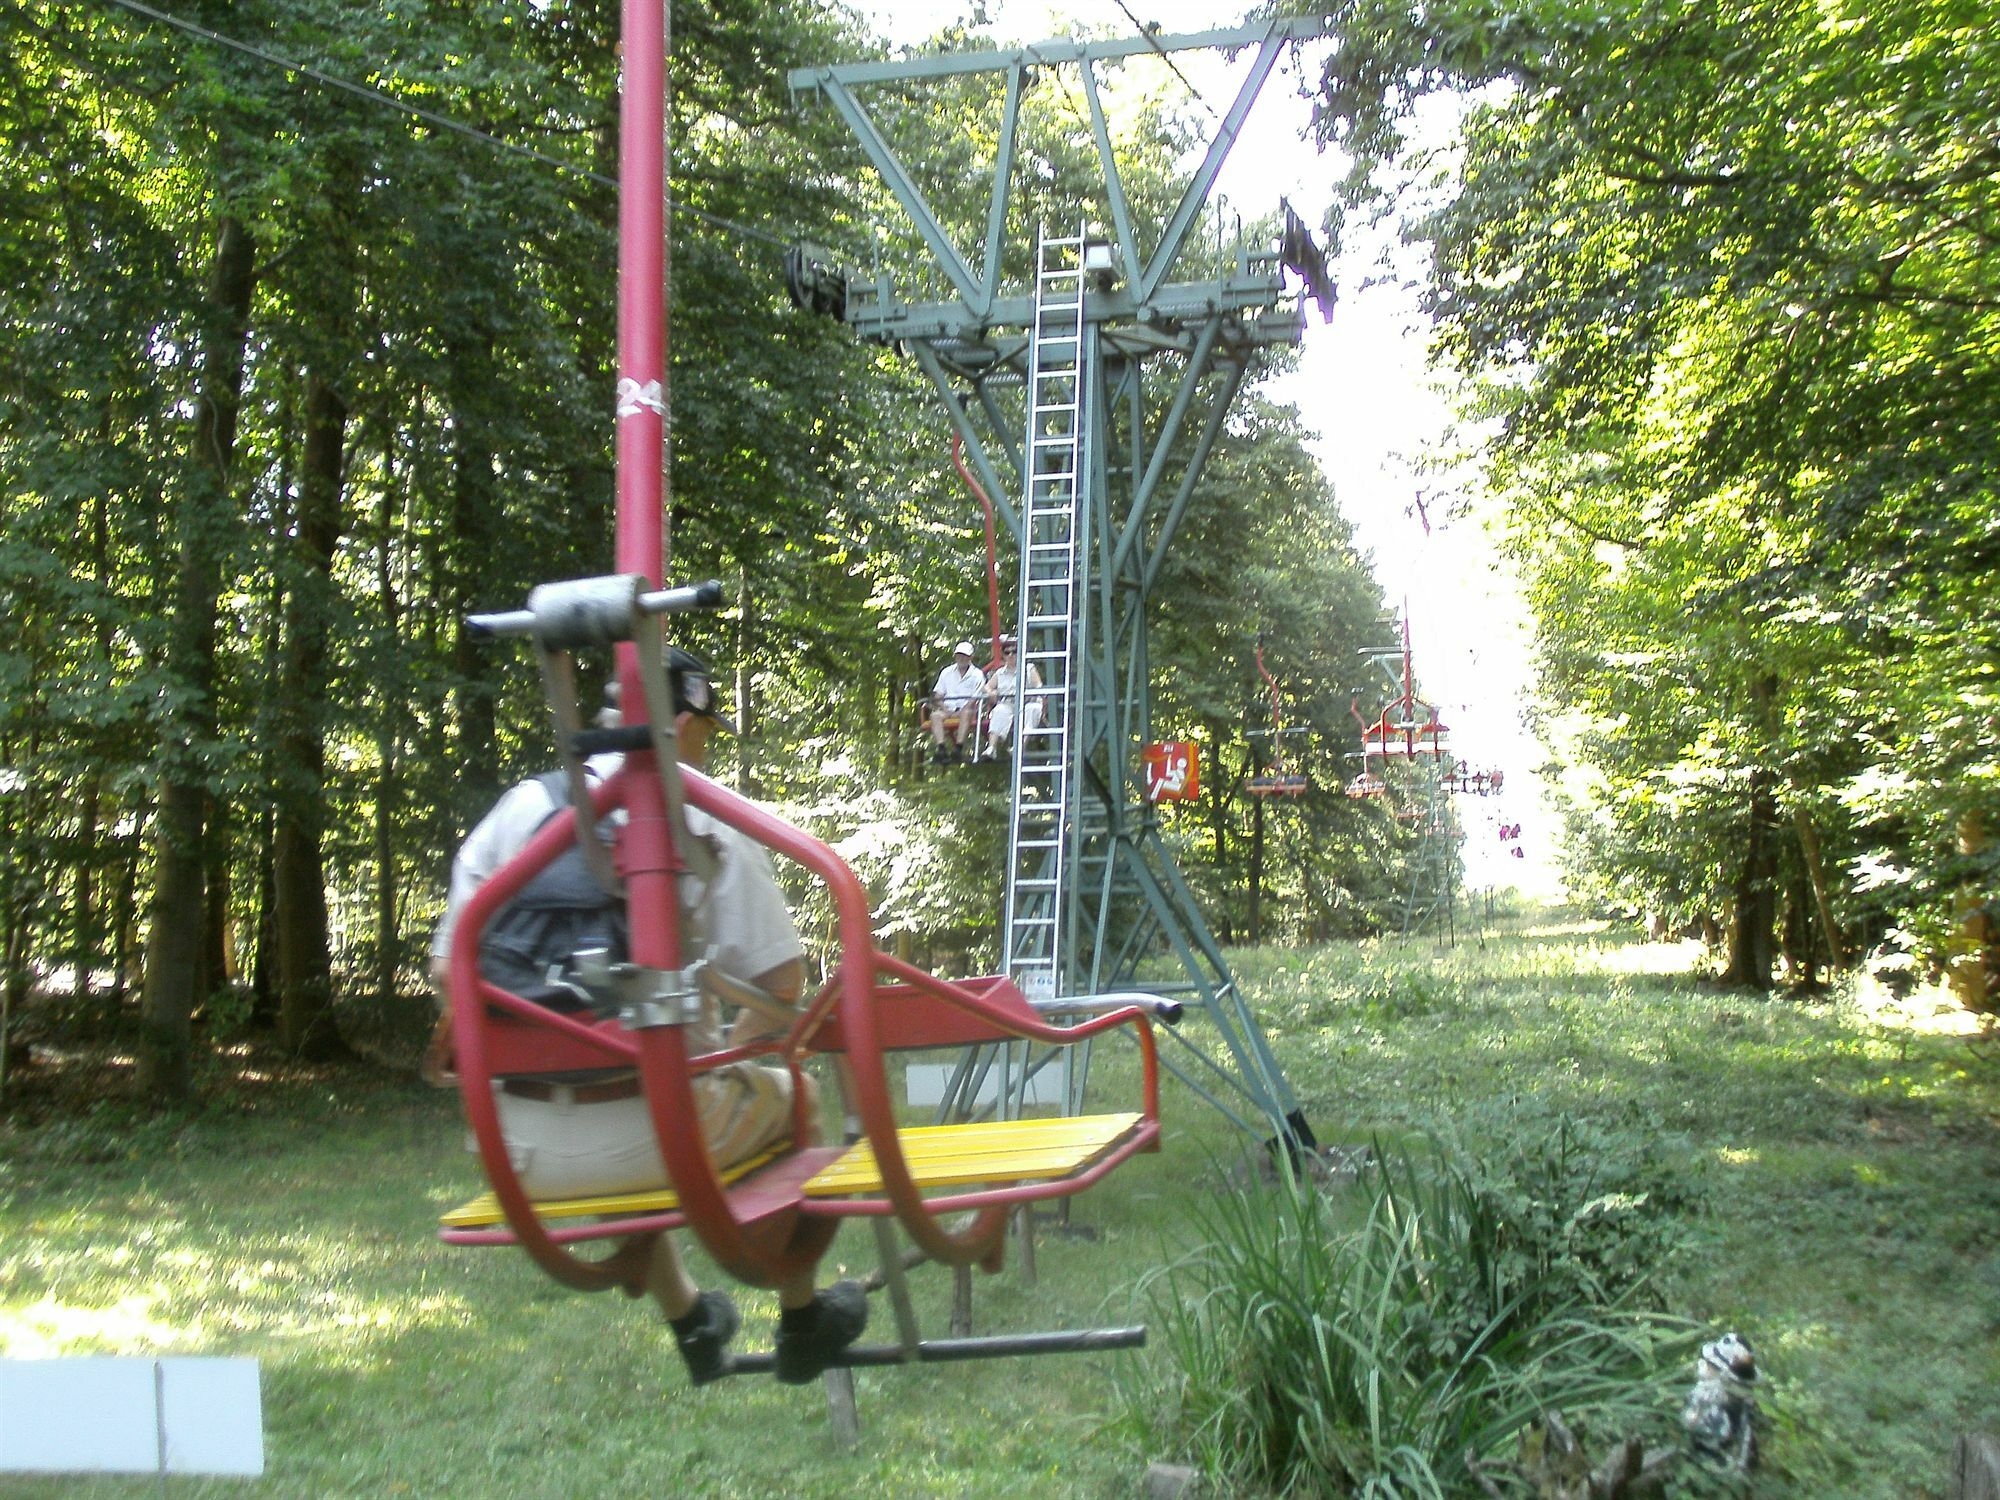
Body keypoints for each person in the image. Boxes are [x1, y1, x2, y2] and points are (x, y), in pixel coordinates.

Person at [425, 648, 866, 1386]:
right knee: (792, 1096)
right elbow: (782, 985)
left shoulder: (521, 812)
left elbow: (450, 968)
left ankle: (689, 1319)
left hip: (517, 1152)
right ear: (683, 723)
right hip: (662, 1139)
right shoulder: (704, 823)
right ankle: (800, 1313)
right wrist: (734, 1053)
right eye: (705, 732)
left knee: (621, 1086)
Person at [981, 636, 1041, 760]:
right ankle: (991, 748)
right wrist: (991, 692)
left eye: (1014, 651)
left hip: (1027, 702)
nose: (1011, 655)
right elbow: (986, 687)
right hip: (1009, 703)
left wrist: (1033, 694)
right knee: (999, 710)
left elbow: (1039, 686)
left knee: (1033, 709)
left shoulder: (1029, 668)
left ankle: (1020, 747)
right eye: (1007, 652)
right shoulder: (1000, 673)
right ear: (1003, 655)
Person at [928, 640, 985, 763]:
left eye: (965, 656)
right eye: (959, 655)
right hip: (948, 708)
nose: (962, 658)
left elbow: (976, 696)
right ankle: (941, 748)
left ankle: (958, 748)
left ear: (971, 657)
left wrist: (964, 709)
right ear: (955, 656)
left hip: (967, 709)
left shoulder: (977, 674)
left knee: (966, 714)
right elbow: (938, 694)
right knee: (935, 716)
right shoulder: (946, 672)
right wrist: (945, 709)